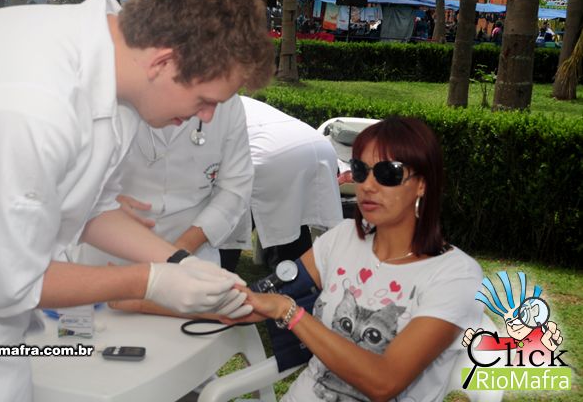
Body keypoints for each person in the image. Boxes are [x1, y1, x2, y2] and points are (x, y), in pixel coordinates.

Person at [0, 0, 274, 402]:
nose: (208, 117)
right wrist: (150, 282)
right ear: (164, 61)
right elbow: (10, 285)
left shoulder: (116, 71)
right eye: (205, 101)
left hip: (0, 277)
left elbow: (93, 207)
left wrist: (181, 263)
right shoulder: (30, 104)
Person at [230, 117, 483, 402]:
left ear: (422, 184)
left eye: (388, 173)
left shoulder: (456, 276)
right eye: (361, 171)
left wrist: (290, 312)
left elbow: (384, 382)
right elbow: (272, 291)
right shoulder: (343, 238)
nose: (368, 185)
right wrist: (212, 296)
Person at [77, 94, 253, 272]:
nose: (207, 115)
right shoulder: (104, 97)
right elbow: (75, 183)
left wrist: (180, 251)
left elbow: (235, 187)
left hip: (192, 254)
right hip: (107, 248)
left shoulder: (229, 105)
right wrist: (99, 200)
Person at [241, 97, 343, 268]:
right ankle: (297, 272)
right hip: (320, 147)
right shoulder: (239, 101)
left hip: (274, 154)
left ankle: (216, 269)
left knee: (230, 224)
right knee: (294, 213)